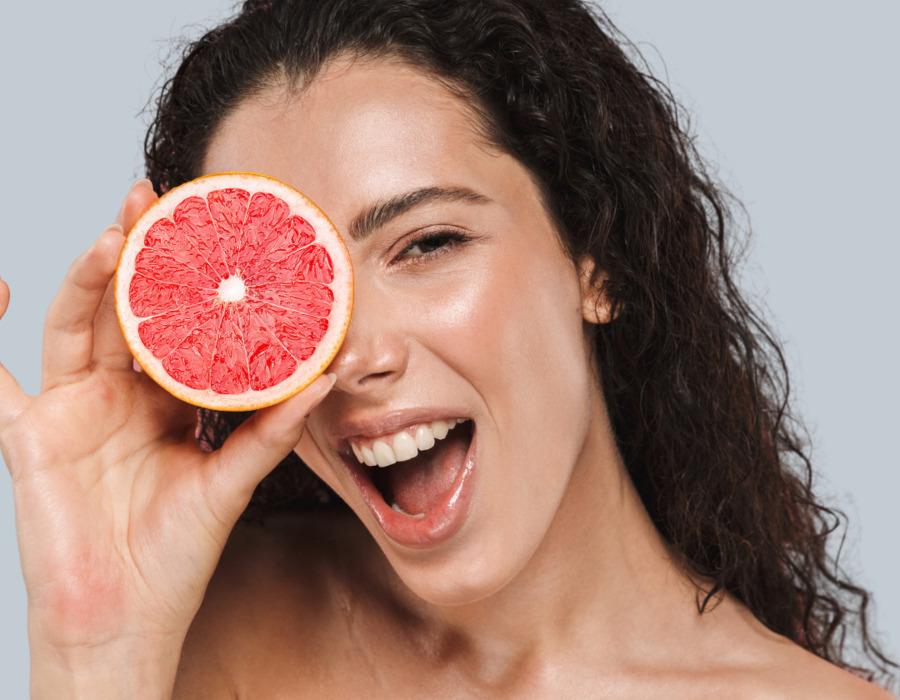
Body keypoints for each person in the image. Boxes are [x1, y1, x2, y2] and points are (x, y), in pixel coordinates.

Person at [0, 0, 895, 696]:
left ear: (599, 258)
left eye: (427, 245)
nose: (353, 358)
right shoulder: (209, 632)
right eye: (295, 297)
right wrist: (96, 650)